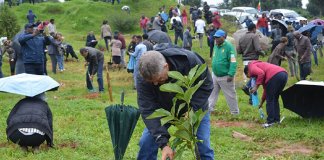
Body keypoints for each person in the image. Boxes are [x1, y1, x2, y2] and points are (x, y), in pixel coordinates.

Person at [136, 46, 214, 160]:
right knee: (146, 142)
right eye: (152, 82)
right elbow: (148, 109)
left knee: (203, 145)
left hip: (194, 108)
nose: (156, 84)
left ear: (166, 66)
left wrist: (192, 109)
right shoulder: (143, 76)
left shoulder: (189, 60)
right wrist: (163, 144)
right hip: (165, 112)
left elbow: (206, 85)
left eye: (159, 79)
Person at [244, 61, 288, 128]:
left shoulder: (251, 67)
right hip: (283, 74)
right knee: (274, 99)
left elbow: (261, 73)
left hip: (274, 75)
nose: (252, 78)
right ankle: (276, 121)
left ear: (248, 72)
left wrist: (256, 86)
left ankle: (270, 122)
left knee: (270, 100)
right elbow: (266, 90)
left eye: (249, 76)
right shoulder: (263, 71)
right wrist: (261, 102)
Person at [208, 29, 239, 115]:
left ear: (223, 37)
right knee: (212, 93)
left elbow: (233, 61)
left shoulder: (229, 47)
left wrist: (231, 74)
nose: (216, 39)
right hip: (215, 75)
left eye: (218, 37)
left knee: (230, 95)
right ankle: (209, 110)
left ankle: (235, 113)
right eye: (215, 37)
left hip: (225, 76)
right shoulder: (215, 45)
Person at [237, 23, 265, 104]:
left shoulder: (241, 38)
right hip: (253, 60)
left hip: (245, 60)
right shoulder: (254, 36)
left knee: (252, 78)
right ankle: (249, 91)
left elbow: (239, 51)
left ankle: (250, 98)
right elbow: (257, 48)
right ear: (254, 29)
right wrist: (263, 53)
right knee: (254, 79)